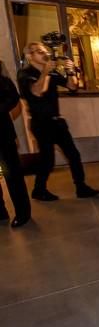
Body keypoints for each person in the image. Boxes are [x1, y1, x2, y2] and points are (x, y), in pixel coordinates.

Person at [17, 42, 99, 201]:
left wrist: (70, 71)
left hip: (57, 122)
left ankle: (81, 187)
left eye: (44, 50)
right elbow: (37, 92)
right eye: (39, 52)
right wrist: (46, 72)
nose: (44, 53)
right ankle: (39, 189)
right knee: (47, 159)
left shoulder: (53, 72)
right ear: (30, 56)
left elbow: (72, 87)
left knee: (74, 155)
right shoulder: (25, 73)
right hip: (41, 123)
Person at [0, 72, 31, 227]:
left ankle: (23, 213)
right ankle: (0, 212)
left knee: (12, 174)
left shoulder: (2, 78)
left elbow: (13, 98)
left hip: (2, 134)